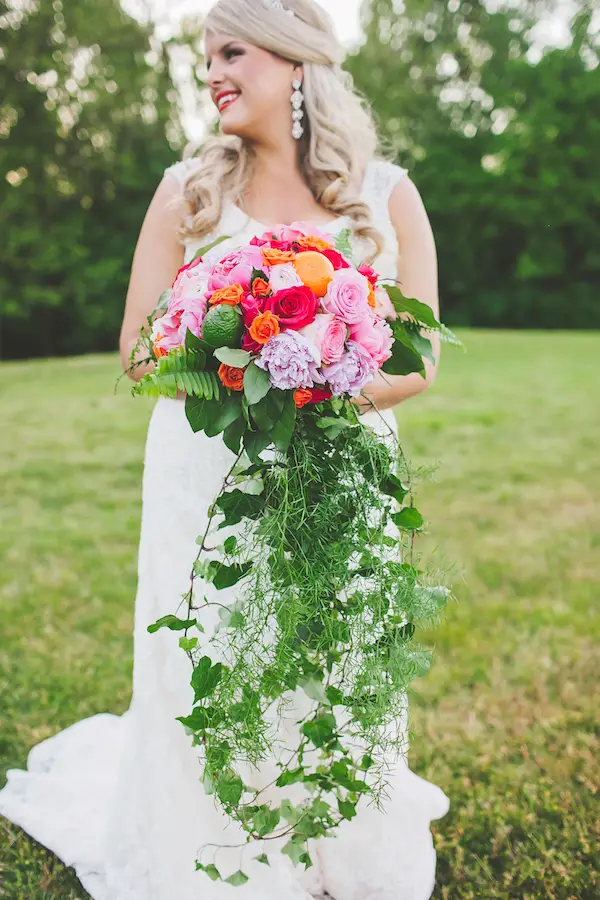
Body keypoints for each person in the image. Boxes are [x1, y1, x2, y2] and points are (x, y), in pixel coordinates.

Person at [0, 1, 449, 897]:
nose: (213, 71)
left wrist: (319, 378)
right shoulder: (188, 190)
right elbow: (136, 348)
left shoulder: (386, 192)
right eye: (206, 55)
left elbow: (422, 357)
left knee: (333, 648)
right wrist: (239, 363)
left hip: (340, 467)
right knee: (210, 645)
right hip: (205, 471)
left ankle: (335, 839)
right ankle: (213, 853)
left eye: (231, 52)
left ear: (294, 65)